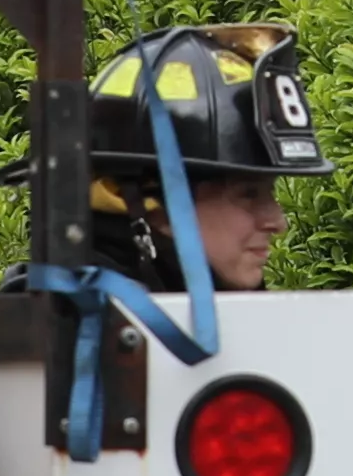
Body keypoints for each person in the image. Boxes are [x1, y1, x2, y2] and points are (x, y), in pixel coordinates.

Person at [80, 21, 314, 294]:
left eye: (268, 193)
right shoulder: (65, 325)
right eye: (249, 194)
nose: (277, 222)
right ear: (155, 208)